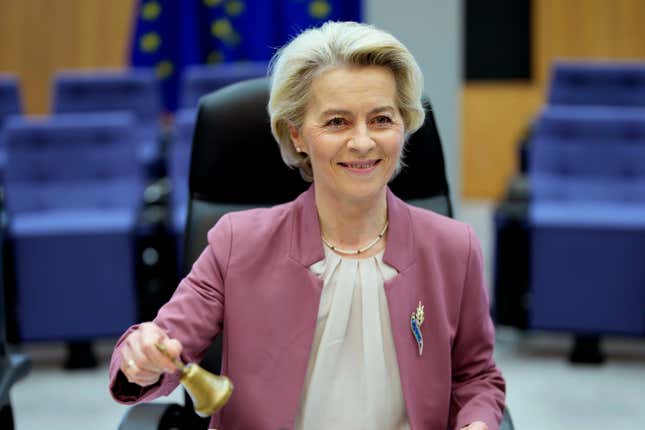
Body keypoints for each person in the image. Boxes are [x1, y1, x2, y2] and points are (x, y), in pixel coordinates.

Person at [109, 21, 506, 430]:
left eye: (382, 119)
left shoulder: (454, 248)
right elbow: (163, 344)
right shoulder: (237, 244)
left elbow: (476, 378)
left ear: (403, 126)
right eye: (337, 122)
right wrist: (143, 359)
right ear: (297, 135)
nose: (364, 142)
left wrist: (476, 424)